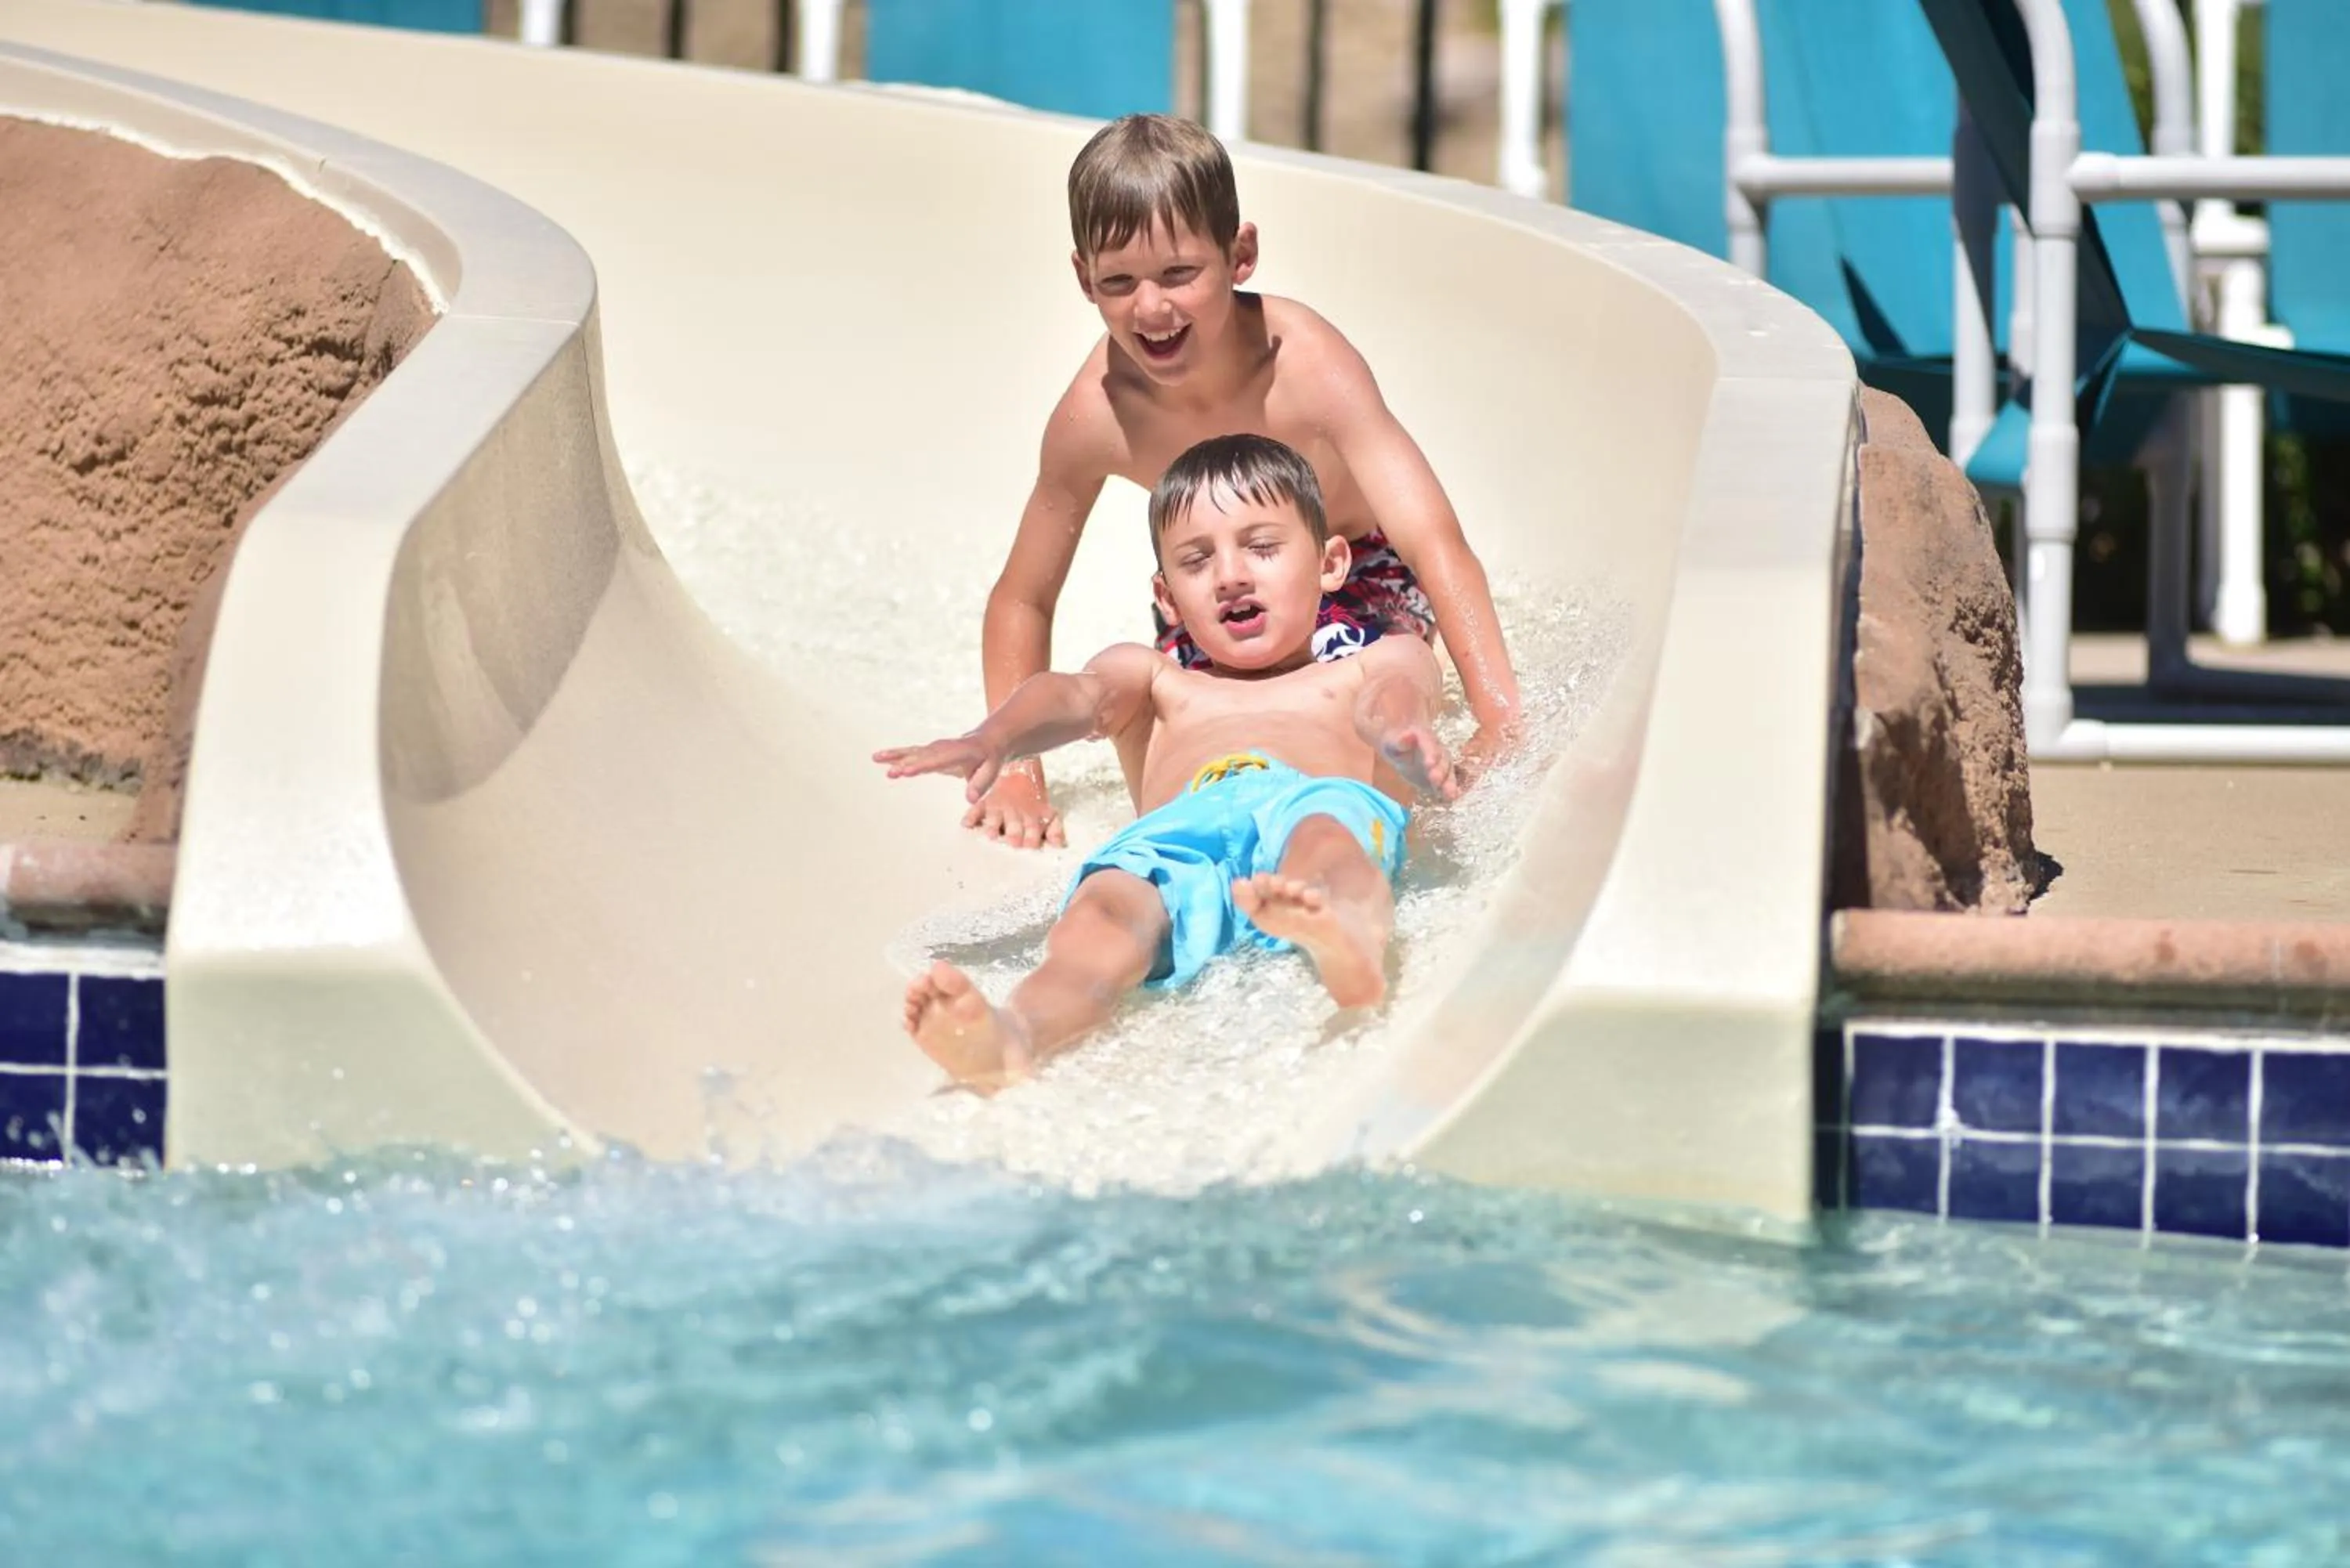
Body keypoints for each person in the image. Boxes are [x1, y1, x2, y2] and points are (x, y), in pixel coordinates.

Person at [966, 112, 1519, 851]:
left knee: (1344, 714)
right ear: (1082, 278)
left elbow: (1432, 541)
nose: (1151, 308)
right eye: (1118, 282)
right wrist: (1017, 777)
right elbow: (1022, 598)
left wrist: (1499, 717)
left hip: (1349, 572)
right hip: (1221, 591)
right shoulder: (1096, 414)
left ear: (1241, 254)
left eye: (1180, 274)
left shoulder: (1308, 363)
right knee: (1200, 731)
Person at [880, 435, 1464, 1090]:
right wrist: (997, 737)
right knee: (1102, 911)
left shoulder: (1370, 662)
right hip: (1174, 841)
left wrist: (1403, 737)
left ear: (1330, 563)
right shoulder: (1157, 682)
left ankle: (1346, 932)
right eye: (1197, 560)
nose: (1232, 574)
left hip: (1313, 798)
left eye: (1263, 547)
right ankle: (1018, 1034)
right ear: (1167, 597)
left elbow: (1396, 697)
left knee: (1326, 839)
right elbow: (1073, 695)